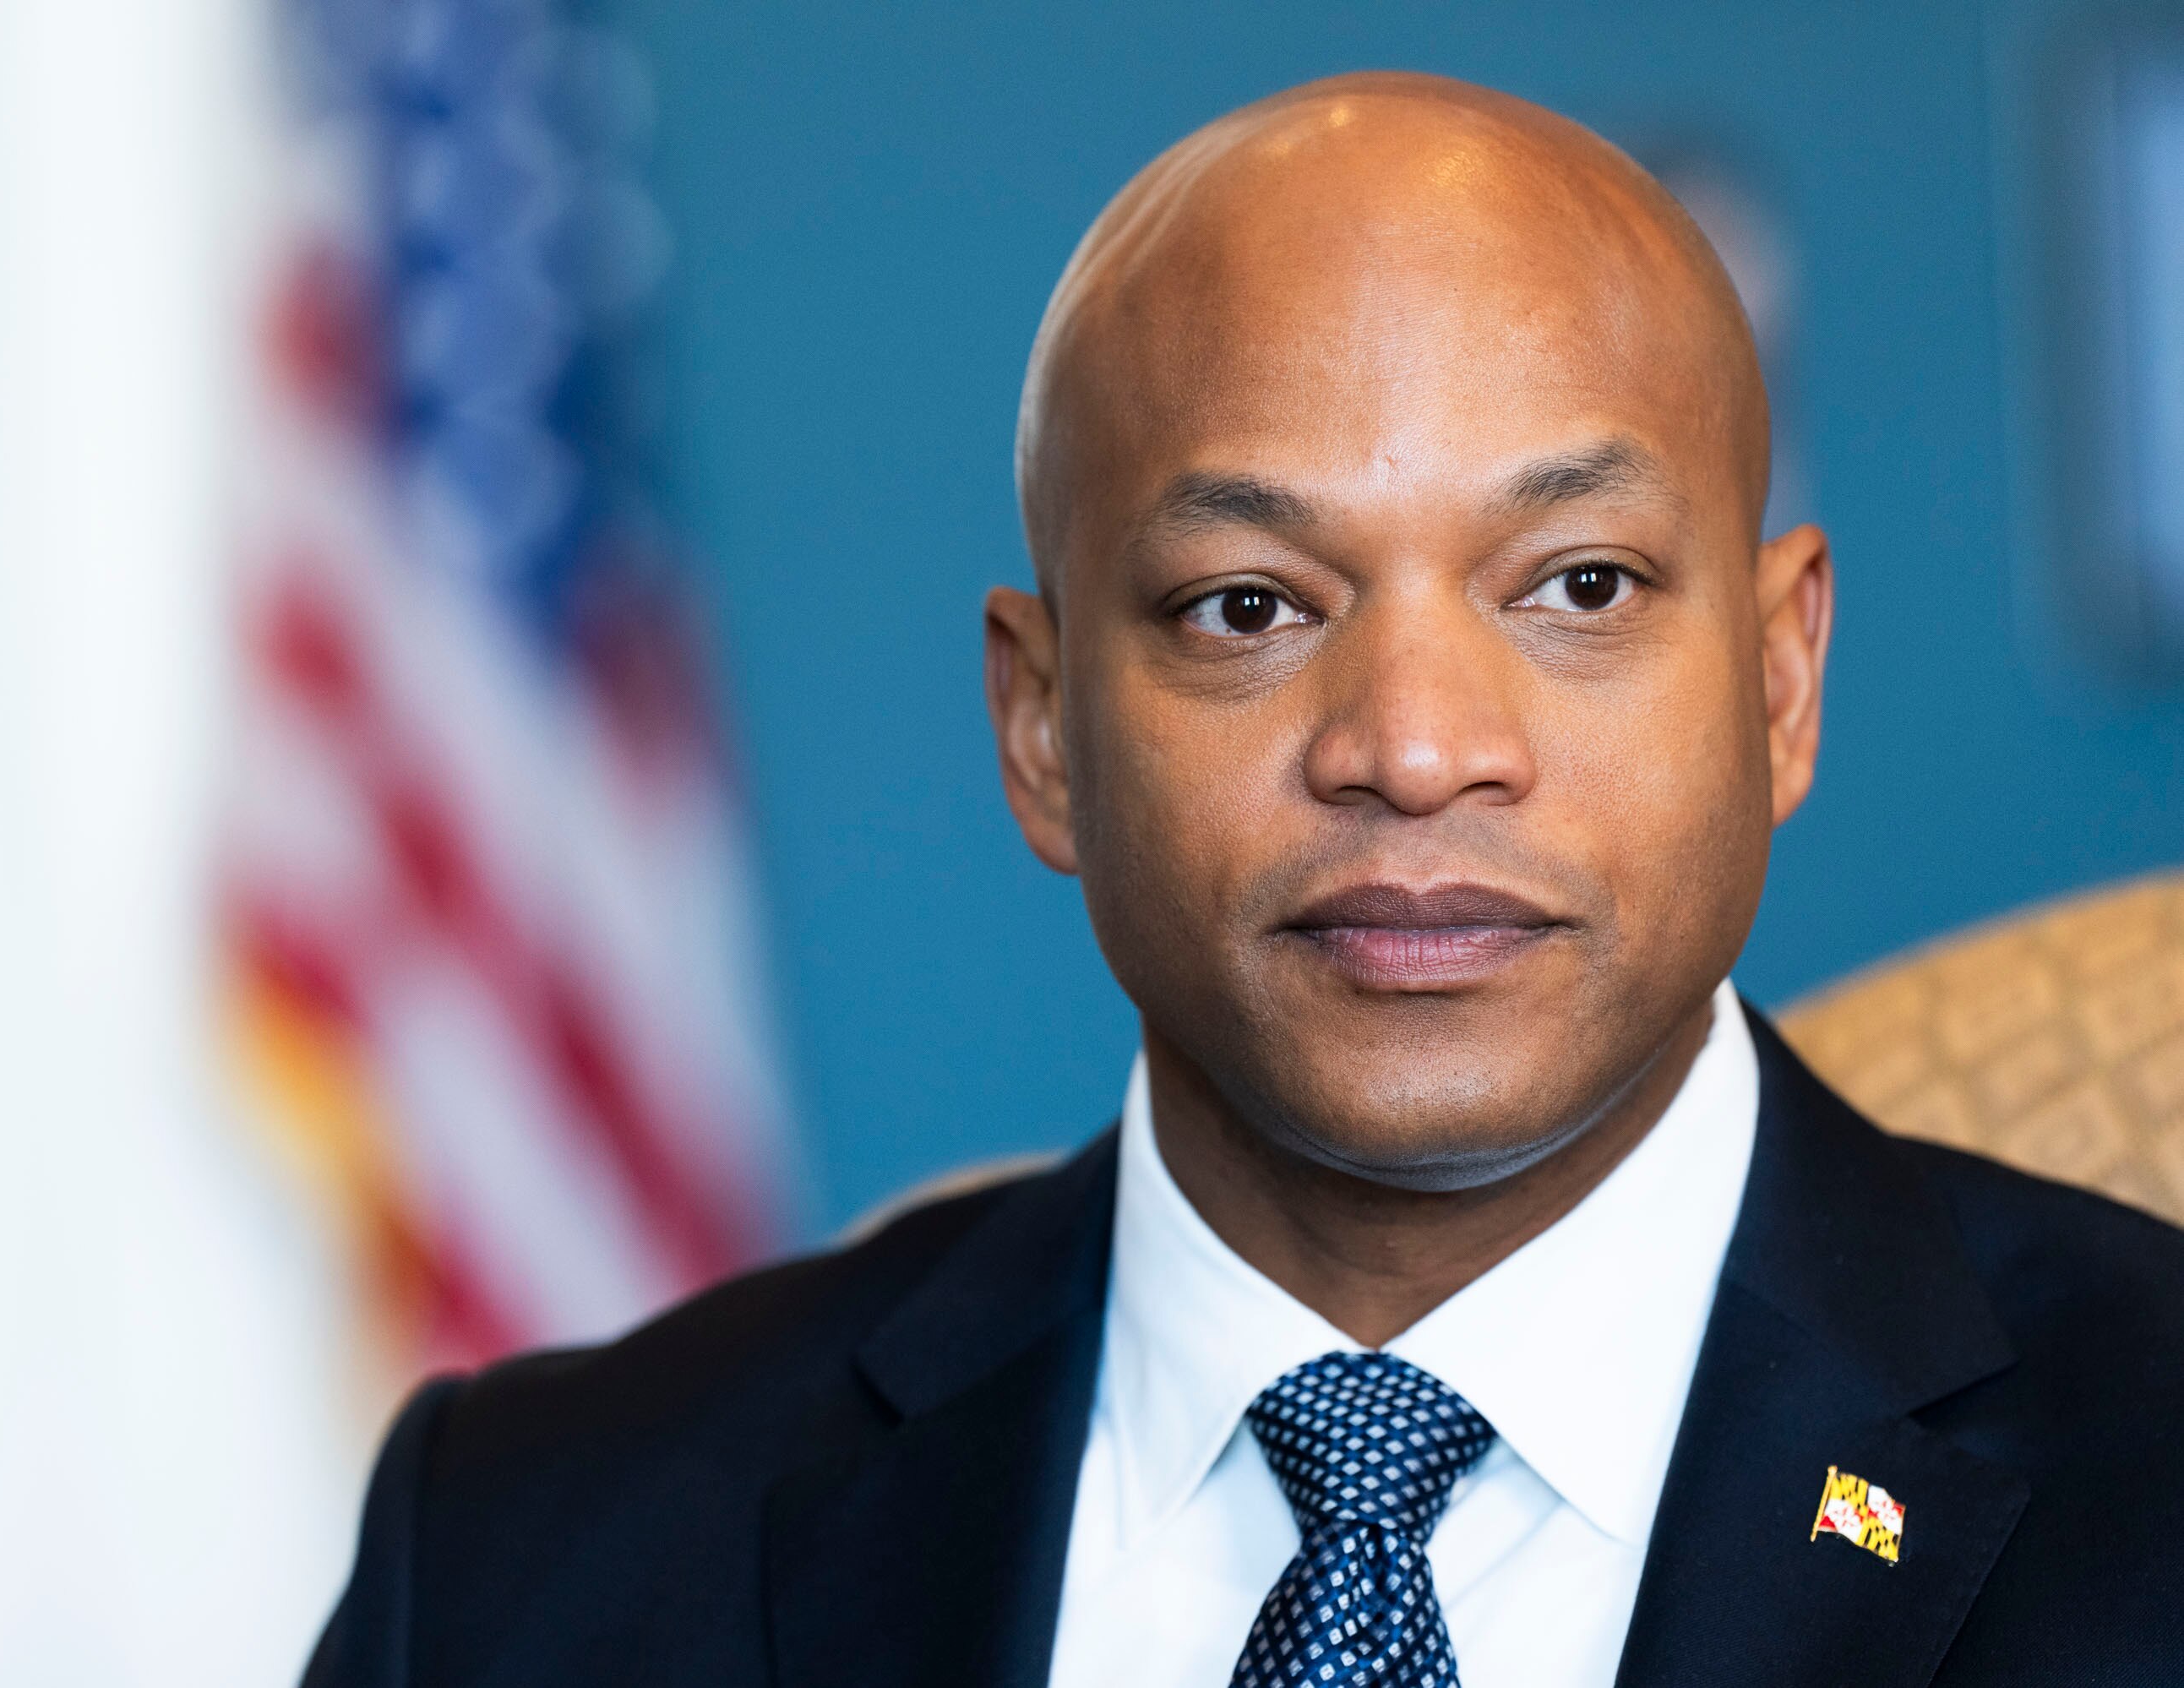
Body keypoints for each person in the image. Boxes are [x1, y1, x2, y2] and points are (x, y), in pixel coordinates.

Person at [301, 73, 2184, 1688]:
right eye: (1247, 607)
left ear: (1778, 680)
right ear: (1041, 727)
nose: (1417, 745)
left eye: (1578, 587)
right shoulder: (525, 1557)